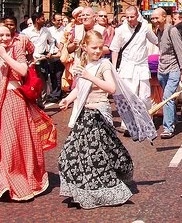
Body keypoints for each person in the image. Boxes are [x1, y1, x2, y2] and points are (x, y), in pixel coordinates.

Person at [58, 30, 155, 209]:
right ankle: (82, 189)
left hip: (99, 114)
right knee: (69, 154)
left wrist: (90, 76)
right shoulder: (83, 63)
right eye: (93, 47)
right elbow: (80, 87)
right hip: (83, 114)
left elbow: (111, 88)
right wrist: (68, 99)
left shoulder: (105, 65)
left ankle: (104, 190)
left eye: (100, 47)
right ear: (84, 47)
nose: (97, 51)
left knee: (96, 156)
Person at [0, 23, 56, 200]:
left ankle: (19, 180)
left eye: (7, 35)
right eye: (0, 35)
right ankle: (2, 183)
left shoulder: (16, 49)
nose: (4, 38)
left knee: (13, 143)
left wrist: (4, 55)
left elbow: (23, 70)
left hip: (15, 101)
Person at [110, 6, 157, 135]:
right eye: (127, 17)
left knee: (144, 97)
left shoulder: (145, 27)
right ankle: (129, 126)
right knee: (129, 97)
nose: (130, 19)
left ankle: (146, 122)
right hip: (127, 67)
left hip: (142, 67)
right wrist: (114, 67)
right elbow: (115, 49)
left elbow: (156, 41)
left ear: (137, 16)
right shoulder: (120, 30)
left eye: (132, 17)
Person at [150, 8, 182, 139]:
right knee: (168, 98)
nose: (154, 20)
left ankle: (168, 127)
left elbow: (180, 51)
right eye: (153, 18)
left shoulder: (172, 30)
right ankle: (173, 119)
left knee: (167, 97)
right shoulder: (158, 31)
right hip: (162, 70)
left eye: (157, 18)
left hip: (174, 69)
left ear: (164, 17)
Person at [47, 13, 65, 103]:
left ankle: (56, 94)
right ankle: (55, 92)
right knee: (52, 75)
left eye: (61, 20)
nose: (60, 22)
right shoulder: (48, 30)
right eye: (58, 20)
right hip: (51, 55)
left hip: (60, 56)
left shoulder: (64, 30)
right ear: (53, 21)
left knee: (59, 75)